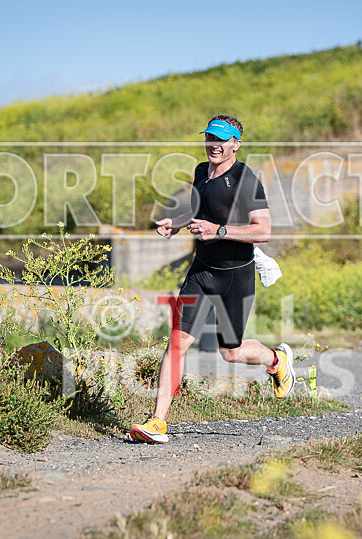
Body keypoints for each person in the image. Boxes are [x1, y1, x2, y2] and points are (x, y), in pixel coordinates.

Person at [129, 114, 296, 444]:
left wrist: (218, 231)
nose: (213, 145)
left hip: (235, 276)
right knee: (177, 342)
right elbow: (200, 211)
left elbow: (263, 231)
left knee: (230, 352)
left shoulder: (246, 178)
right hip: (201, 271)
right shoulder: (200, 171)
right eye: (209, 137)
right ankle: (157, 422)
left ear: (236, 144)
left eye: (221, 139)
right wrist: (177, 223)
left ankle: (277, 360)